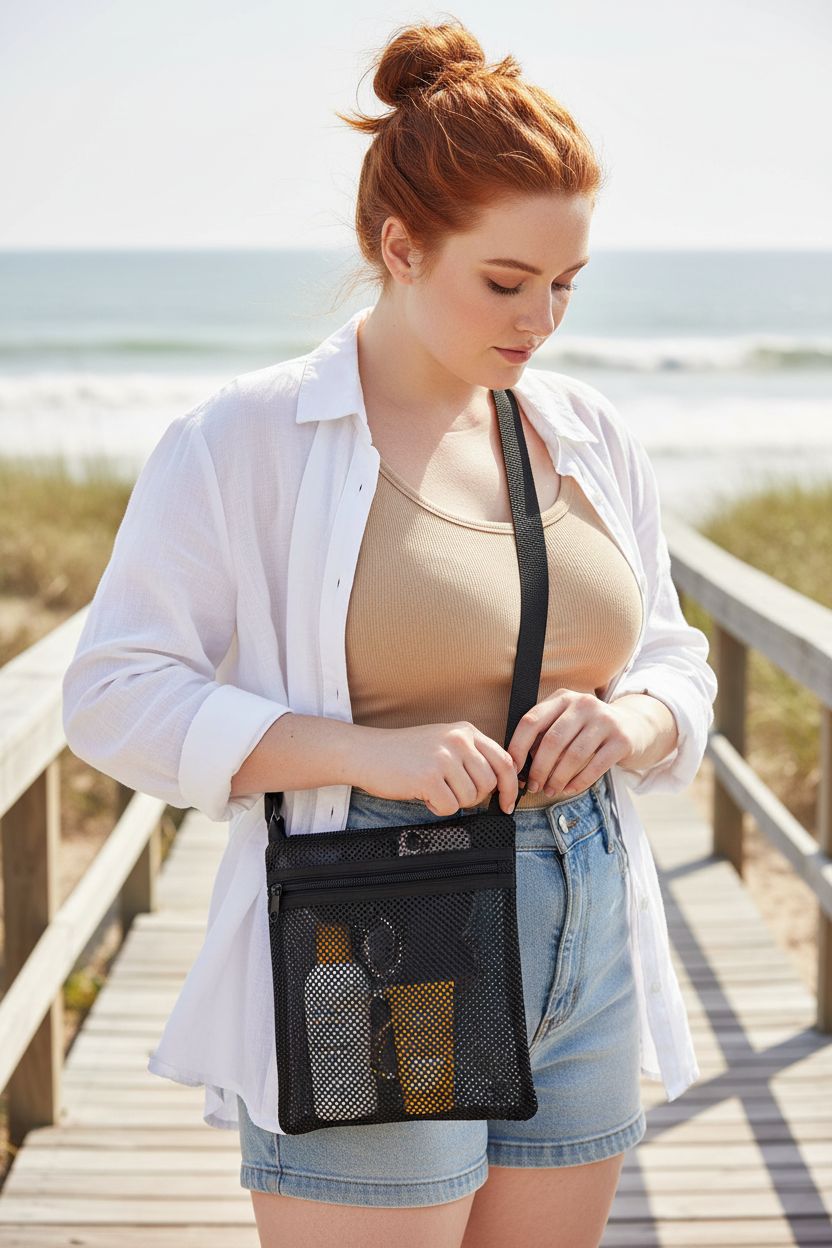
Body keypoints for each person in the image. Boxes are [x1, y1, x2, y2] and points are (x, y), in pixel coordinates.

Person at [61, 17, 717, 1248]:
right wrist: (368, 753)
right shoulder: (248, 441)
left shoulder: (581, 430)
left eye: (566, 283)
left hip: (587, 914)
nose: (541, 319)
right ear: (400, 246)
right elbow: (115, 694)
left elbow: (674, 655)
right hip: (378, 922)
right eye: (505, 283)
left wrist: (631, 721)